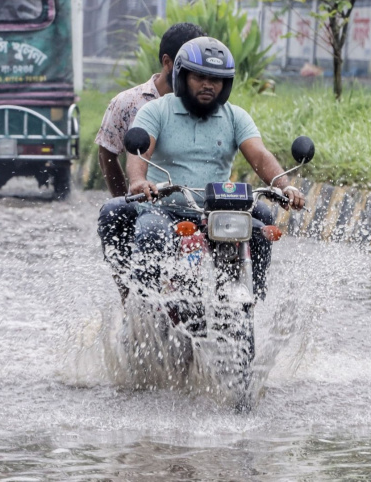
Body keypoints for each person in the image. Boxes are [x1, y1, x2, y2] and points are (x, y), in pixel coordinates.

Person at [123, 36, 306, 298]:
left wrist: (285, 186)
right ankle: (144, 305)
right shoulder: (156, 111)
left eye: (216, 79)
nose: (208, 85)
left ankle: (253, 297)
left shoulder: (235, 116)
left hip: (217, 211)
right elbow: (139, 153)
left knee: (261, 221)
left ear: (225, 84)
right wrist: (139, 181)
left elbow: (259, 155)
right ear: (182, 76)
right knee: (151, 231)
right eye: (199, 77)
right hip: (165, 209)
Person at [96, 23, 206, 300]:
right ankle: (129, 297)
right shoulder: (128, 103)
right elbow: (107, 152)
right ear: (168, 62)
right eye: (189, 64)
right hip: (150, 204)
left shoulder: (207, 103)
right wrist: (127, 196)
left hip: (198, 203)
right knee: (113, 215)